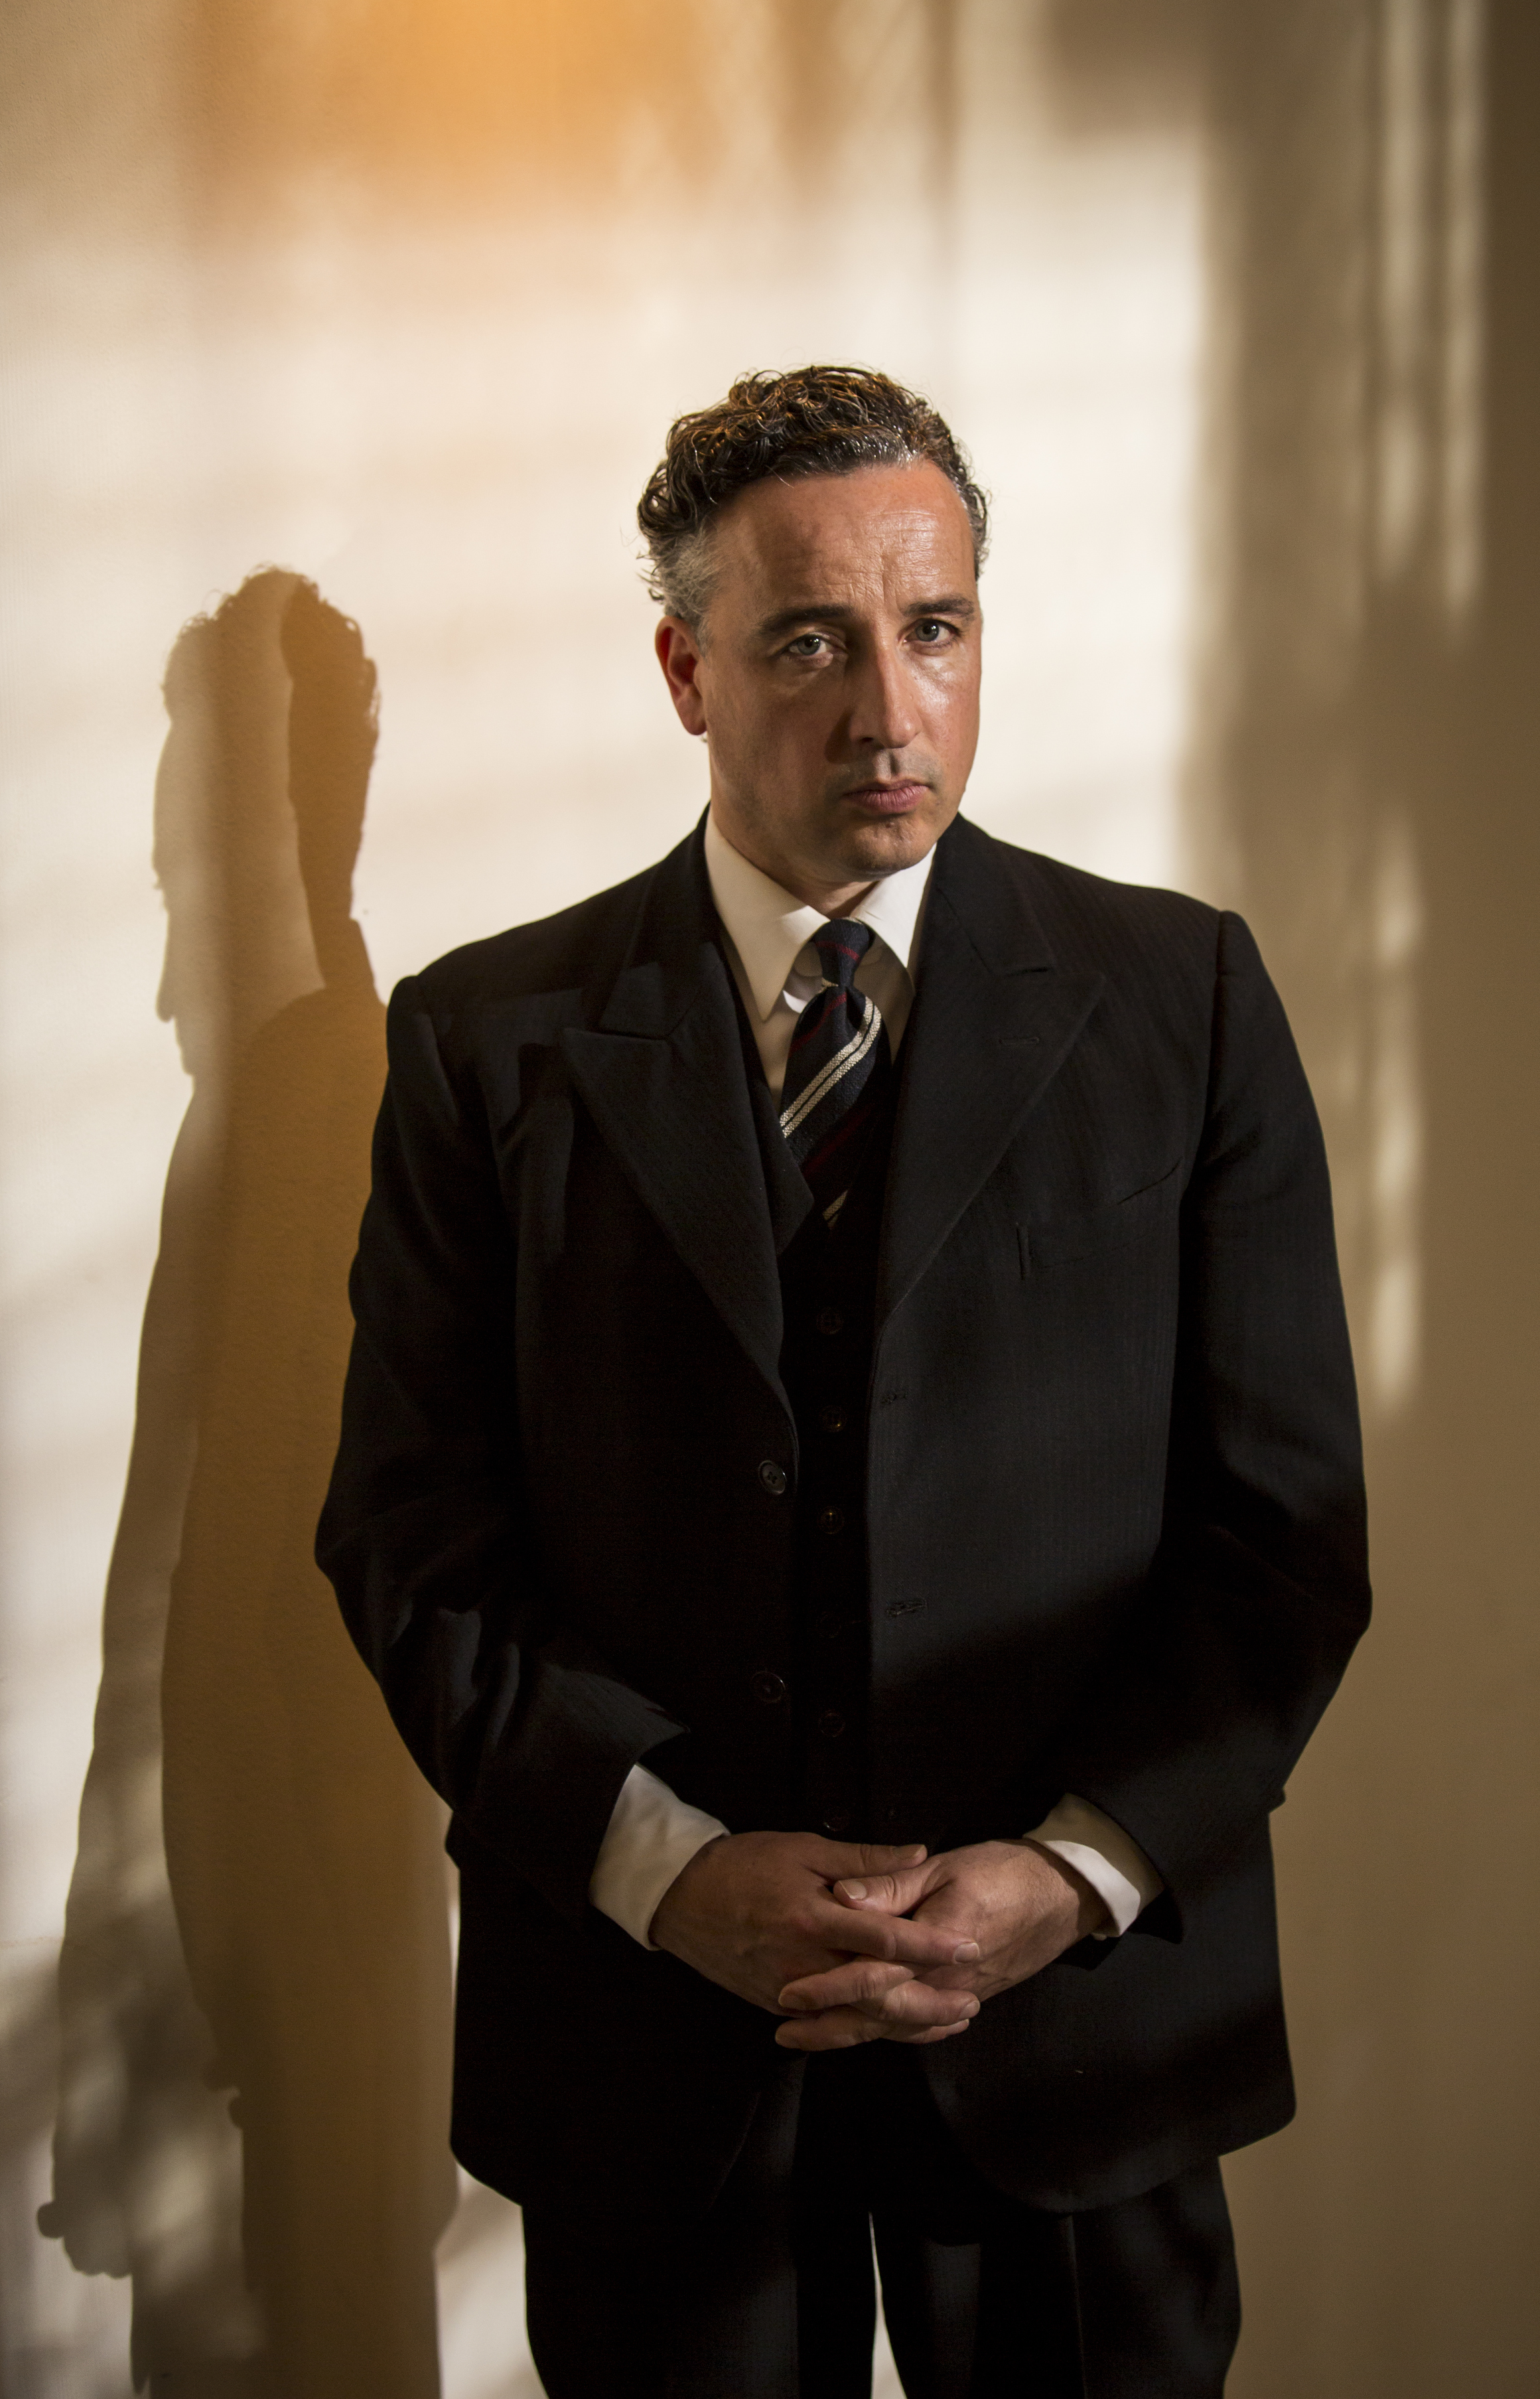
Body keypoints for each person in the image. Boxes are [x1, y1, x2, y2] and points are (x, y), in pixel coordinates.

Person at [317, 366, 1369, 2398]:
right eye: (808, 641)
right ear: (683, 670)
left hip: (1080, 2043)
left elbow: (1282, 1533)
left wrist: (1072, 1873)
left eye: (933, 628)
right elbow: (414, 1543)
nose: (890, 710)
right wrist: (663, 1869)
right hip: (650, 2049)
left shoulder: (1185, 1000)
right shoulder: (484, 1044)